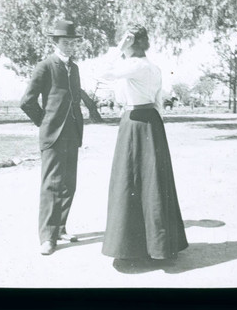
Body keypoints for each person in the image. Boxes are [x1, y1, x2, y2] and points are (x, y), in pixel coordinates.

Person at [99, 25, 188, 262]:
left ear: (130, 42)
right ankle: (159, 246)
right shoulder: (154, 67)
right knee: (154, 182)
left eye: (125, 41)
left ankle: (132, 248)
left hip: (135, 122)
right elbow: (158, 102)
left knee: (130, 179)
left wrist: (118, 47)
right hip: (152, 123)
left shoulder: (135, 65)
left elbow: (102, 73)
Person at [20, 20, 84, 256]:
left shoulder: (74, 68)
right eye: (65, 42)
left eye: (73, 42)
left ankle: (60, 228)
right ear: (55, 42)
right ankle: (47, 237)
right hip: (52, 134)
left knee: (69, 183)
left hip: (72, 133)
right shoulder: (45, 66)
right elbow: (27, 101)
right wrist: (43, 121)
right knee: (51, 184)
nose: (69, 46)